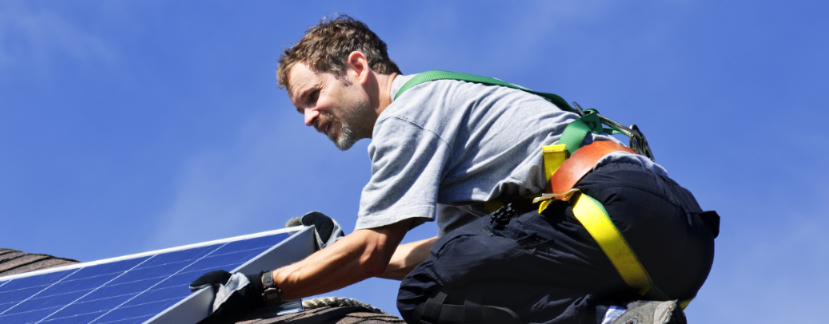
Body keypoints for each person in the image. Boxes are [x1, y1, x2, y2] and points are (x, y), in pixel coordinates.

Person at [190, 15, 717, 324]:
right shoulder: (453, 127)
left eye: (312, 97)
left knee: (425, 295)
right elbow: (441, 253)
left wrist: (262, 288)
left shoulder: (407, 116)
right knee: (443, 274)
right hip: (672, 242)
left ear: (357, 67)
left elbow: (376, 252)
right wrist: (335, 257)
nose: (308, 118)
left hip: (614, 213)